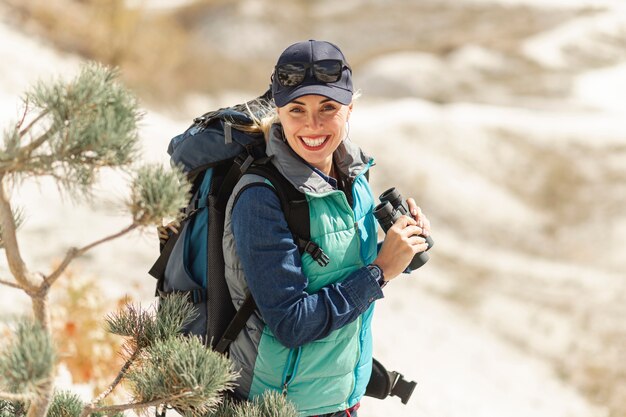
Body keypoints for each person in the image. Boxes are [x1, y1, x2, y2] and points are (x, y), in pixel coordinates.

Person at [222, 40, 431, 417]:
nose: (312, 126)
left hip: (341, 400)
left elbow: (346, 265)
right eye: (296, 109)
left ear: (351, 107)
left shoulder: (353, 174)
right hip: (280, 408)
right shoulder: (260, 197)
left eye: (328, 108)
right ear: (279, 112)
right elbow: (291, 322)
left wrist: (403, 249)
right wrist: (381, 271)